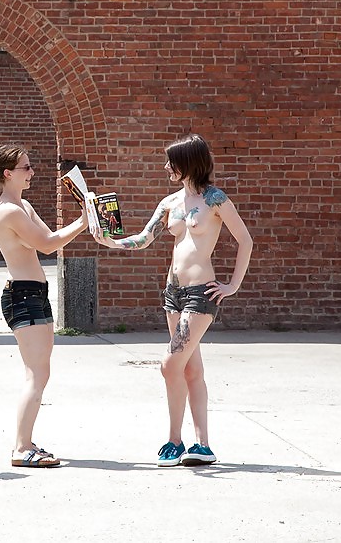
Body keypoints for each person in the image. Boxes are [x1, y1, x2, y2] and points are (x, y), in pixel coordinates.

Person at [93, 134, 252, 467]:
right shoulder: (169, 203)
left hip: (200, 294)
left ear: (188, 163)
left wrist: (232, 285)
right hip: (173, 294)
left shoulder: (215, 199)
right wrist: (110, 242)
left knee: (169, 365)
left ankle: (174, 441)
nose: (166, 167)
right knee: (190, 368)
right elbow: (144, 238)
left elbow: (245, 240)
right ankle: (202, 446)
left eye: (172, 162)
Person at [0, 144, 88, 468]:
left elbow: (49, 236)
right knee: (36, 374)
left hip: (35, 293)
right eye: (25, 167)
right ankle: (21, 447)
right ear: (8, 173)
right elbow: (49, 246)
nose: (32, 172)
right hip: (22, 296)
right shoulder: (8, 211)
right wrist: (84, 221)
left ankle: (25, 442)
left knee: (40, 372)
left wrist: (85, 220)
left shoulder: (23, 205)